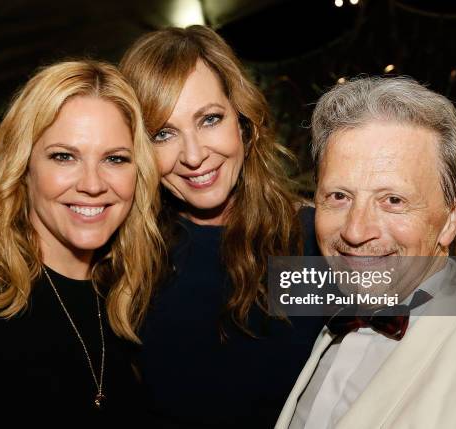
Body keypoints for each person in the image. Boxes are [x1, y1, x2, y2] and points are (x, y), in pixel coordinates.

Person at [0, 60, 162, 423]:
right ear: (24, 168)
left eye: (115, 159)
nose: (92, 184)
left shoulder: (132, 300)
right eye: (64, 156)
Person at [276, 76, 456, 428]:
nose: (355, 231)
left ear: (455, 215)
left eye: (393, 200)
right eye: (339, 196)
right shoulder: (332, 319)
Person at [120, 25, 324, 428]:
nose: (194, 156)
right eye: (163, 133)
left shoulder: (311, 239)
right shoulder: (129, 256)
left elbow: (438, 308)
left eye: (210, 119)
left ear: (243, 122)